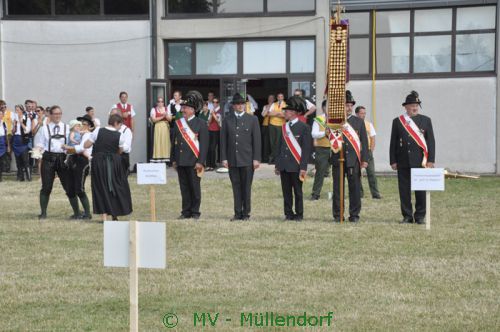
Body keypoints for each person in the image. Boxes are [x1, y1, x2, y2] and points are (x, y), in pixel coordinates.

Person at [390, 91, 435, 225]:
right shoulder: (398, 121)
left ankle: (420, 216)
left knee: (420, 190)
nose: (415, 107)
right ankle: (407, 216)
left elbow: (430, 141)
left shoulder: (426, 120)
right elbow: (393, 142)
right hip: (403, 160)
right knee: (404, 190)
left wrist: (431, 160)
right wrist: (393, 160)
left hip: (421, 161)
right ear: (406, 107)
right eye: (412, 105)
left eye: (416, 105)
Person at [82, 113, 133, 222]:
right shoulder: (120, 135)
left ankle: (104, 216)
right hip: (114, 163)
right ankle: (114, 213)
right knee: (115, 187)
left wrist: (88, 138)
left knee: (100, 187)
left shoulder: (97, 131)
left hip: (99, 163)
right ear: (116, 123)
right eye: (120, 125)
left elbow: (86, 145)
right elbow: (119, 151)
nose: (120, 127)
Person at [220, 93, 261, 221]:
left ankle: (246, 213)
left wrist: (256, 158)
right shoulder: (227, 119)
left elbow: (257, 140)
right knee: (236, 187)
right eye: (237, 104)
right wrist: (224, 158)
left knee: (246, 187)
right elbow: (223, 141)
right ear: (233, 106)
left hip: (248, 159)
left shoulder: (252, 119)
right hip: (233, 159)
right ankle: (237, 213)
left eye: (242, 104)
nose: (240, 106)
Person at [36, 106, 80, 220]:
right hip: (48, 158)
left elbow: (74, 143)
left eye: (59, 113)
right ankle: (43, 213)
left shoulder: (66, 128)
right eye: (55, 114)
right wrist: (37, 151)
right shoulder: (44, 128)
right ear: (50, 115)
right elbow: (40, 144)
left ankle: (77, 213)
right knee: (46, 187)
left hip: (63, 158)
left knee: (69, 187)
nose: (58, 116)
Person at [331, 91, 369, 223]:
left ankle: (354, 215)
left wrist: (364, 160)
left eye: (350, 105)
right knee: (337, 189)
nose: (348, 107)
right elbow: (330, 139)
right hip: (338, 159)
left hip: (354, 160)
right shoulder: (335, 121)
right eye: (346, 105)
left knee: (355, 189)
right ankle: (338, 214)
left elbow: (364, 141)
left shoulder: (358, 121)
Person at [171, 91, 208, 220]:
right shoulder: (178, 123)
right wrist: (174, 160)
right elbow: (174, 143)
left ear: (192, 110)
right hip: (181, 161)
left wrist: (200, 161)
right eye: (183, 108)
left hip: (194, 162)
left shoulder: (201, 123)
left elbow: (204, 145)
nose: (183, 110)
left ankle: (195, 212)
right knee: (184, 188)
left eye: (185, 108)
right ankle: (185, 211)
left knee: (194, 188)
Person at [275, 96, 312, 222]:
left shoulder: (304, 128)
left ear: (293, 112)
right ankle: (288, 213)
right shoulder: (284, 127)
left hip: (296, 166)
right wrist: (278, 165)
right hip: (284, 165)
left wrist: (303, 167)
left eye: (286, 111)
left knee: (297, 191)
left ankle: (299, 214)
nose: (284, 113)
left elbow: (306, 150)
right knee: (286, 192)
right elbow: (280, 147)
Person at [63, 114, 94, 220]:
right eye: (79, 124)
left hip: (82, 161)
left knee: (79, 188)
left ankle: (87, 213)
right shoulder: (77, 134)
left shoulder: (88, 135)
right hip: (72, 159)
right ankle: (76, 213)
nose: (80, 126)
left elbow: (81, 148)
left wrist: (68, 148)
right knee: (70, 189)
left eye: (83, 124)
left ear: (89, 126)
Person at [355, 106, 382, 199]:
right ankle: (359, 193)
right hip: (356, 152)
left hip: (367, 152)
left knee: (371, 173)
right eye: (361, 113)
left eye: (364, 113)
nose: (363, 115)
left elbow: (373, 138)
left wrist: (370, 150)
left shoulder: (368, 124)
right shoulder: (352, 124)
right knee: (357, 174)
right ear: (357, 114)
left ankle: (375, 194)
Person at [310, 100, 332, 200]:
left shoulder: (336, 119)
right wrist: (324, 133)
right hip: (322, 149)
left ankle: (337, 193)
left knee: (337, 172)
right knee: (320, 172)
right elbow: (314, 134)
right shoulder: (318, 119)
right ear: (323, 107)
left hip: (335, 148)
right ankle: (315, 193)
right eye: (328, 106)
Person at [109, 108, 133, 174]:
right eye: (110, 116)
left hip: (121, 158)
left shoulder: (126, 130)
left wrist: (114, 147)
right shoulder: (108, 129)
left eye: (112, 116)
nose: (110, 118)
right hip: (110, 159)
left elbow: (127, 147)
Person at [12, 105, 32, 181]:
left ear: (22, 110)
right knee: (18, 160)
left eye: (18, 110)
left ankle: (29, 177)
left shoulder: (26, 118)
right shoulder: (15, 119)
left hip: (22, 140)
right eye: (15, 110)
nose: (16, 111)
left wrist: (21, 123)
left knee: (25, 160)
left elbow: (27, 130)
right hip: (16, 139)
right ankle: (20, 177)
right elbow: (13, 131)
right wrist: (14, 125)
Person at [150, 97, 172, 163]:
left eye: (162, 102)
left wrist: (166, 116)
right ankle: (158, 157)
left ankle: (166, 157)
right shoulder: (153, 109)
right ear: (157, 103)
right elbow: (153, 120)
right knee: (158, 141)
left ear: (163, 103)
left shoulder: (167, 109)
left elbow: (170, 119)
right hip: (158, 127)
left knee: (165, 141)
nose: (160, 103)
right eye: (159, 102)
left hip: (165, 127)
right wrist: (163, 116)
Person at [268, 92, 286, 164]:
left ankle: (275, 157)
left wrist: (275, 113)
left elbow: (285, 115)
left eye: (281, 97)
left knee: (278, 142)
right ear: (277, 98)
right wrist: (279, 113)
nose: (280, 98)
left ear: (283, 97)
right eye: (279, 97)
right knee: (272, 142)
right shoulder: (273, 104)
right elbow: (269, 114)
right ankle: (273, 156)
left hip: (281, 125)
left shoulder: (286, 105)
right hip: (272, 124)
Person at [206, 98, 222, 171]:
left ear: (218, 103)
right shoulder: (212, 110)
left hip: (216, 131)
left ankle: (213, 165)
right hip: (210, 130)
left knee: (213, 148)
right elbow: (209, 122)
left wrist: (213, 114)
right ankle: (208, 165)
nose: (215, 103)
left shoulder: (220, 111)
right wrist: (211, 115)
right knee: (208, 148)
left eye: (216, 102)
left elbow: (219, 122)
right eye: (213, 102)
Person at [260, 94, 274, 163]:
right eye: (269, 98)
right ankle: (265, 159)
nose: (270, 99)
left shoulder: (276, 106)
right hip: (265, 126)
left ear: (274, 99)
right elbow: (263, 114)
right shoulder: (265, 106)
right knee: (265, 143)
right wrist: (268, 107)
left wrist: (270, 113)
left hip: (273, 125)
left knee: (272, 143)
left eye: (271, 98)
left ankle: (272, 159)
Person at [0, 109, 11, 182]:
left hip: (2, 143)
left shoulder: (4, 124)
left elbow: (6, 135)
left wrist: (8, 146)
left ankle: (0, 177)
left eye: (1, 115)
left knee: (1, 161)